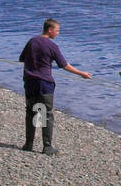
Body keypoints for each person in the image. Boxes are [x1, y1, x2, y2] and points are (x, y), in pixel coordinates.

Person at [18, 17, 91, 154]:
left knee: (31, 112)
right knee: (46, 114)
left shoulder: (32, 41)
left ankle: (28, 144)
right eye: (57, 31)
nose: (58, 33)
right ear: (50, 30)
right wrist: (81, 73)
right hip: (45, 84)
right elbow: (64, 65)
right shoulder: (52, 46)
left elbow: (22, 58)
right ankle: (47, 146)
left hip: (29, 82)